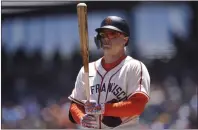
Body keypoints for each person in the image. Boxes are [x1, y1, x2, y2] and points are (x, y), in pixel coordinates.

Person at [60, 16, 150, 129]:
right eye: (103, 34)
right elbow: (75, 105)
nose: (107, 38)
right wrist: (81, 118)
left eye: (112, 34)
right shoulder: (87, 70)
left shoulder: (134, 67)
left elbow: (137, 106)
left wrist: (100, 108)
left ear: (125, 39)